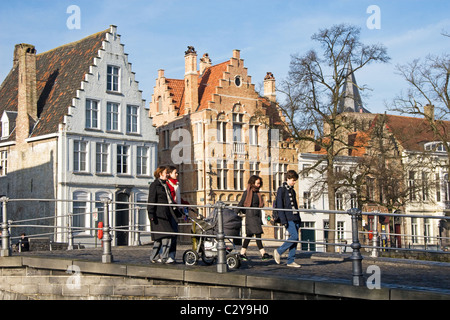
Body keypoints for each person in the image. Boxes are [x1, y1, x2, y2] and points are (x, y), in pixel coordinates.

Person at [147, 166, 181, 264]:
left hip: (166, 213)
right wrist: (151, 214)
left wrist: (177, 211)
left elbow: (169, 200)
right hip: (159, 215)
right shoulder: (155, 185)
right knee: (167, 235)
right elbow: (151, 200)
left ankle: (153, 256)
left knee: (160, 237)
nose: (167, 175)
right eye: (166, 173)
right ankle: (165, 257)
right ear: (160, 174)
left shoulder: (164, 185)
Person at [237, 175, 272, 261]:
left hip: (256, 215)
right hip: (251, 215)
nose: (259, 185)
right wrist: (236, 212)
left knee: (249, 235)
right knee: (258, 234)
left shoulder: (257, 193)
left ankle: (242, 253)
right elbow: (241, 203)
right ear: (252, 183)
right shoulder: (247, 192)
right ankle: (263, 253)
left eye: (260, 183)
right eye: (257, 183)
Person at [273, 170, 302, 268]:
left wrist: (299, 218)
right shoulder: (281, 189)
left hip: (295, 217)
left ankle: (291, 260)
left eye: (295, 181)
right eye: (293, 180)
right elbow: (280, 206)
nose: (294, 182)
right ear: (288, 179)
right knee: (294, 237)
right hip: (288, 217)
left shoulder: (292, 190)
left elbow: (295, 205)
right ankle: (278, 251)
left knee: (295, 239)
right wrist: (283, 220)